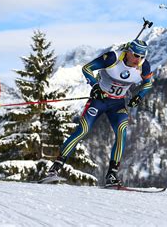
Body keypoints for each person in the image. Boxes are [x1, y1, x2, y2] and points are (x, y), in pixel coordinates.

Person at [44, 39, 154, 186]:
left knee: (122, 132)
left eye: (142, 56)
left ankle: (111, 176)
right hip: (99, 100)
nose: (138, 60)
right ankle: (54, 169)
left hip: (117, 104)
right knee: (83, 130)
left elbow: (148, 83)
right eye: (135, 55)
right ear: (128, 52)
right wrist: (95, 86)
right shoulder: (112, 58)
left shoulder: (143, 66)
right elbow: (87, 68)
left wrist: (139, 97)